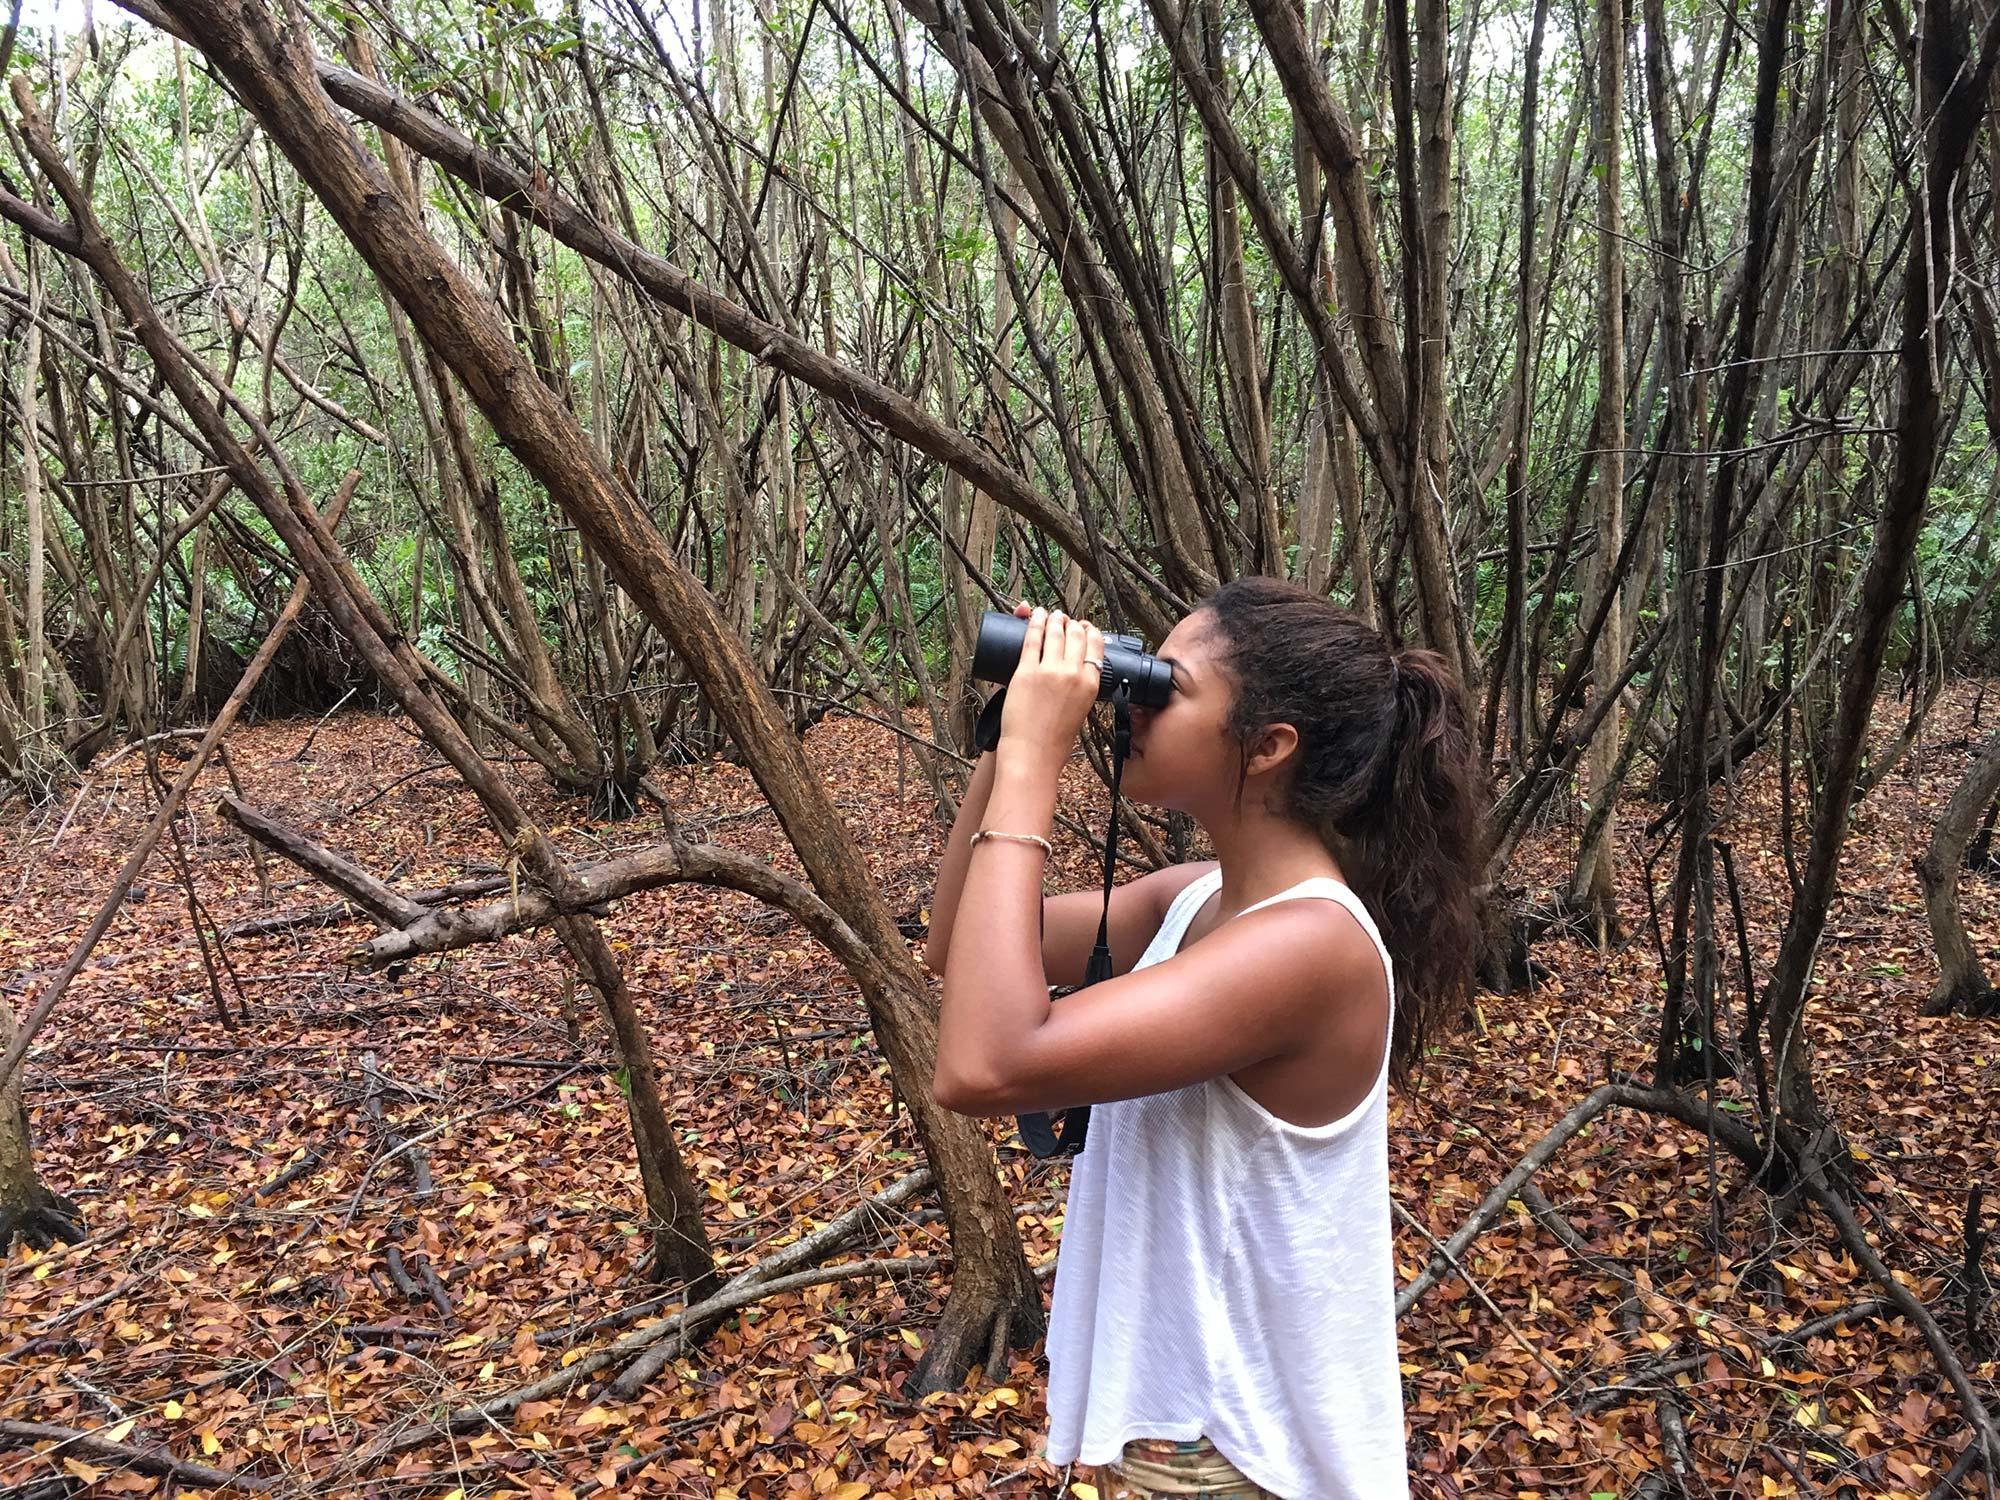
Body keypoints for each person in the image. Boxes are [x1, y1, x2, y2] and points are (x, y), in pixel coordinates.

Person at [923, 577, 1485, 1500]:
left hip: (1234, 1458)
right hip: (1177, 1437)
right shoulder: (1191, 899)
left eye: (1164, 684)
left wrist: (1038, 760)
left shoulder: (1312, 947)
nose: (1132, 700)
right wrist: (1006, 741)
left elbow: (985, 1063)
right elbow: (956, 942)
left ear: (1267, 748)